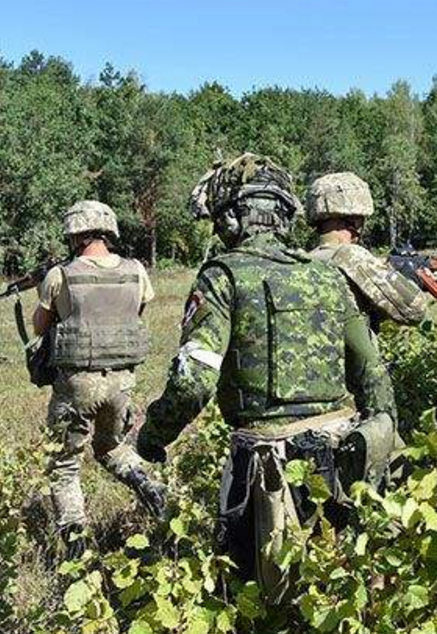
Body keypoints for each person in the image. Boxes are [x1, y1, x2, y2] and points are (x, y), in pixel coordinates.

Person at [135, 154, 397, 602]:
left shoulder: (222, 276)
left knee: (255, 599)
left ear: (231, 219)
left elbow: (194, 383)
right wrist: (379, 442)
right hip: (339, 462)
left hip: (263, 472)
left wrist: (153, 436)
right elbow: (372, 373)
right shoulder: (327, 276)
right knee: (332, 595)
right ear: (286, 213)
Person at [33, 200, 166, 556]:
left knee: (64, 464)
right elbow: (136, 311)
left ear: (74, 233)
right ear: (108, 231)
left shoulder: (60, 275)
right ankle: (150, 487)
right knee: (111, 447)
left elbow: (39, 327)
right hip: (121, 383)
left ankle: (76, 550)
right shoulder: (136, 270)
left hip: (78, 385)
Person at [305, 172, 430, 329]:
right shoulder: (351, 257)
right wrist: (411, 281)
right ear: (355, 219)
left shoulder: (307, 259)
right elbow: (415, 311)